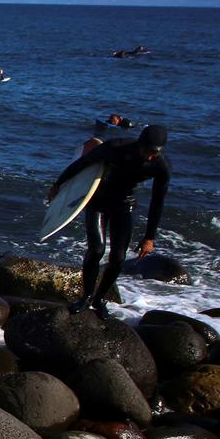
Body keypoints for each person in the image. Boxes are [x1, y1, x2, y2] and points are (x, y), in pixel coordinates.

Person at [48, 124, 171, 319]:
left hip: (123, 206)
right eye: (147, 151)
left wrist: (149, 237)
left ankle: (99, 299)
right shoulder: (115, 147)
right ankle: (86, 297)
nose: (149, 156)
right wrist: (58, 185)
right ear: (140, 143)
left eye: (154, 153)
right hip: (97, 201)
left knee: (118, 258)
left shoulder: (160, 166)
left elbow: (158, 202)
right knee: (96, 250)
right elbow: (82, 163)